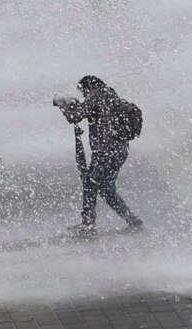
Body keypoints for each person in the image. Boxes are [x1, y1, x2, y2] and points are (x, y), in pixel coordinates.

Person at [57, 75, 143, 236]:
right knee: (106, 190)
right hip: (119, 150)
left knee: (90, 184)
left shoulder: (97, 96)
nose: (84, 96)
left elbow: (74, 116)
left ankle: (88, 225)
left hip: (105, 152)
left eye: (84, 92)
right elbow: (91, 112)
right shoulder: (112, 95)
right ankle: (133, 221)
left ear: (89, 88)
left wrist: (63, 106)